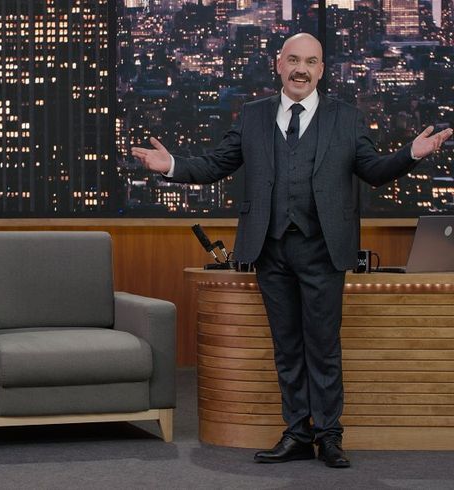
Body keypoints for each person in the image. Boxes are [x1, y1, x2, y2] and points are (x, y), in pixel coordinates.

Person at [131, 33, 452, 468]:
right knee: (286, 348)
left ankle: (330, 435)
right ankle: (298, 433)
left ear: (321, 70)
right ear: (278, 64)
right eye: (294, 60)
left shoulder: (347, 118)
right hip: (270, 249)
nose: (302, 69)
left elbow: (373, 172)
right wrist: (170, 166)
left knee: (323, 347)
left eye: (312, 62)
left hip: (324, 249)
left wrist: (410, 154)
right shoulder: (252, 115)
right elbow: (216, 164)